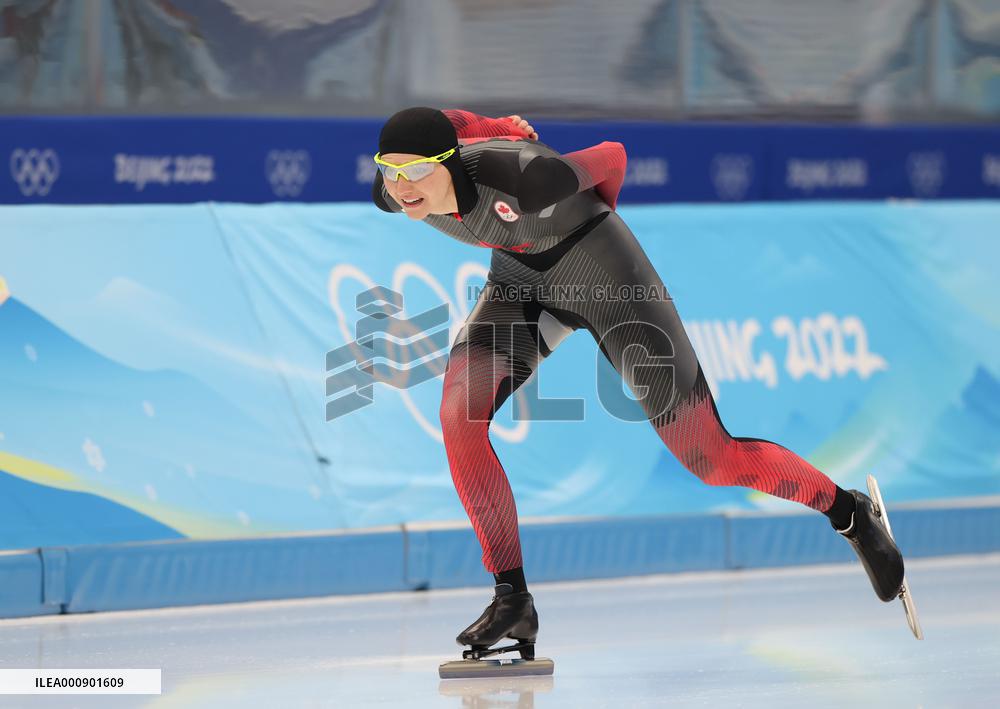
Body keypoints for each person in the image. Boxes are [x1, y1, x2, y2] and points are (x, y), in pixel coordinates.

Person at [371, 107, 905, 662]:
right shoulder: (392, 192)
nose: (403, 187)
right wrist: (497, 123)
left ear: (450, 163)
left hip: (608, 278)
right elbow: (447, 123)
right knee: (460, 416)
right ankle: (513, 598)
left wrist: (590, 212)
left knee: (710, 457)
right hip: (521, 282)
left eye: (417, 173)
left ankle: (850, 513)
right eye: (391, 171)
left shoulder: (526, 176)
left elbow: (614, 156)